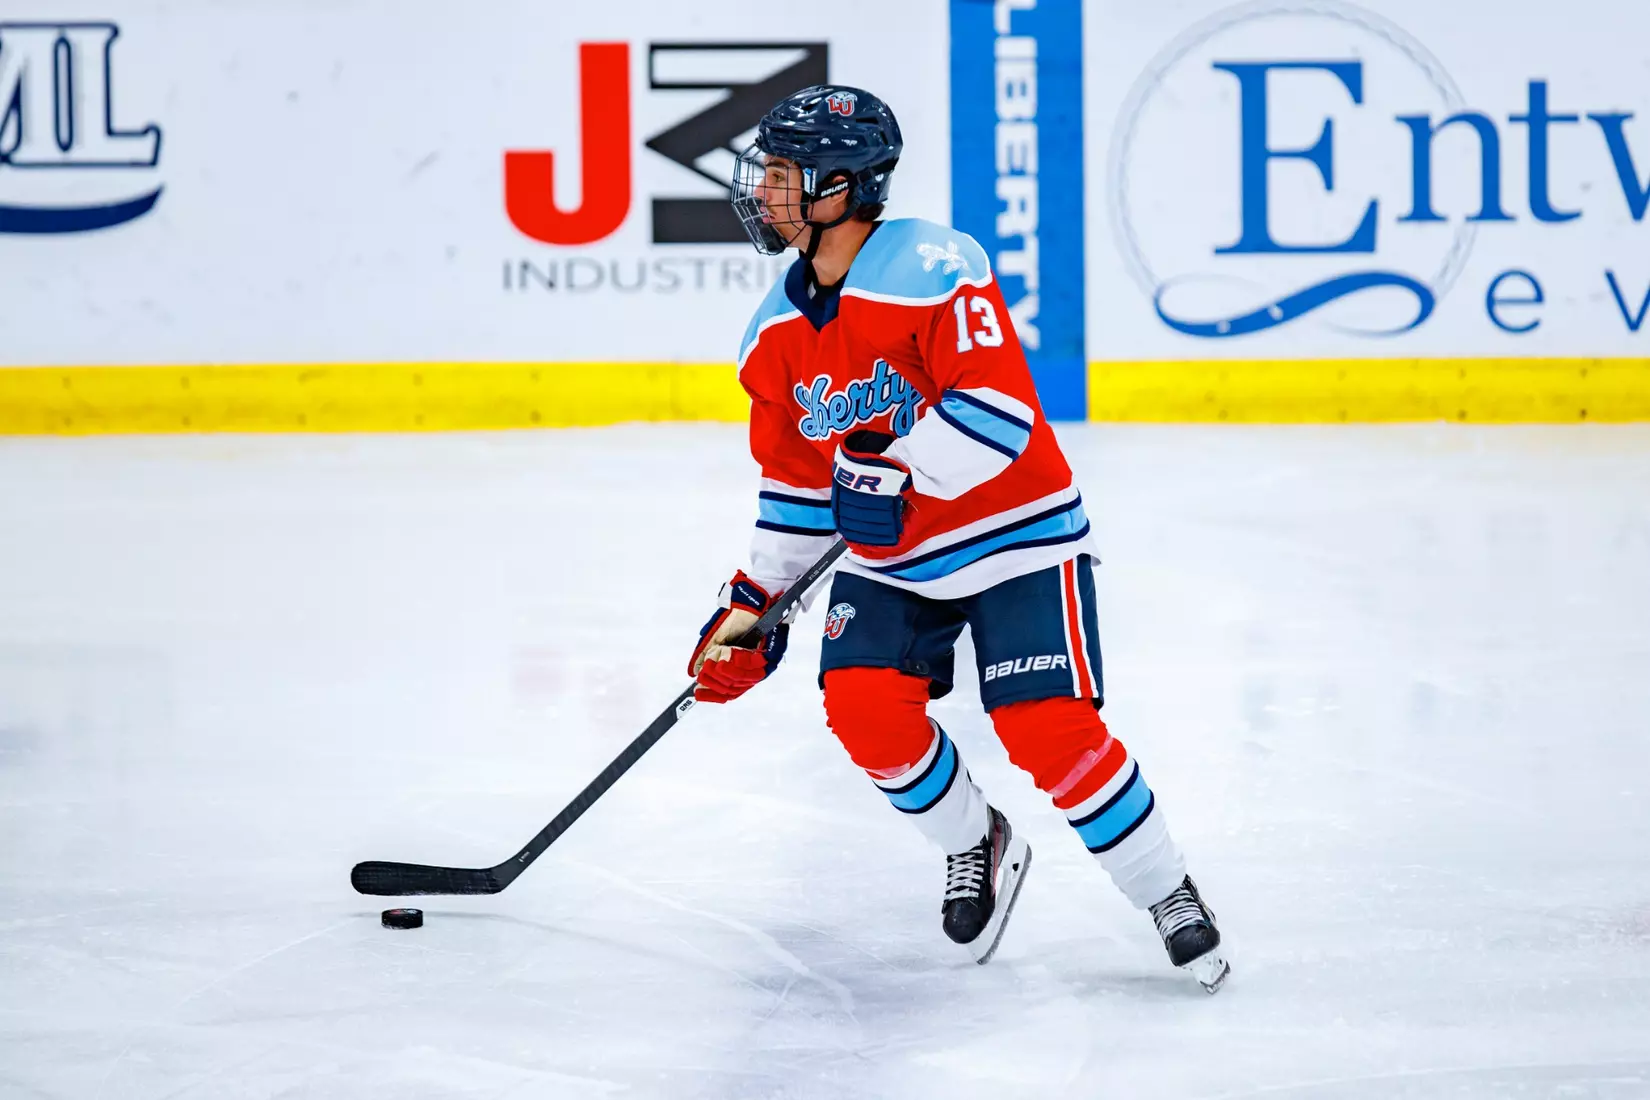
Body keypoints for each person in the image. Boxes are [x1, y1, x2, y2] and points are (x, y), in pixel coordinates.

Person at [686, 85, 1228, 991]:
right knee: (864, 712)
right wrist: (755, 605)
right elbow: (796, 488)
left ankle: (1165, 889)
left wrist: (896, 471)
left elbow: (998, 410)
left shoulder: (935, 266)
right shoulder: (770, 337)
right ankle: (977, 840)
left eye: (783, 174)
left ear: (841, 188)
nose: (765, 191)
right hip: (893, 561)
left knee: (1047, 728)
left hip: (1015, 536)